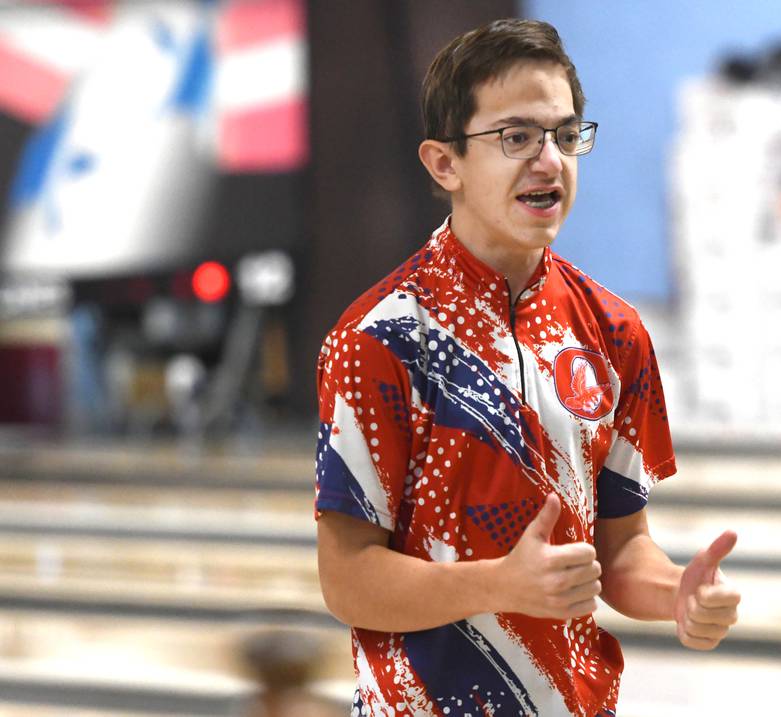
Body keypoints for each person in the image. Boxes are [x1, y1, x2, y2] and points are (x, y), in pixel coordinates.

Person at [314, 18, 741, 717]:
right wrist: (497, 585)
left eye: (566, 135)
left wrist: (677, 595)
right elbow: (347, 578)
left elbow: (622, 549)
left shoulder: (615, 332)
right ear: (444, 163)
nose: (550, 160)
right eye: (516, 137)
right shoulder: (379, 340)